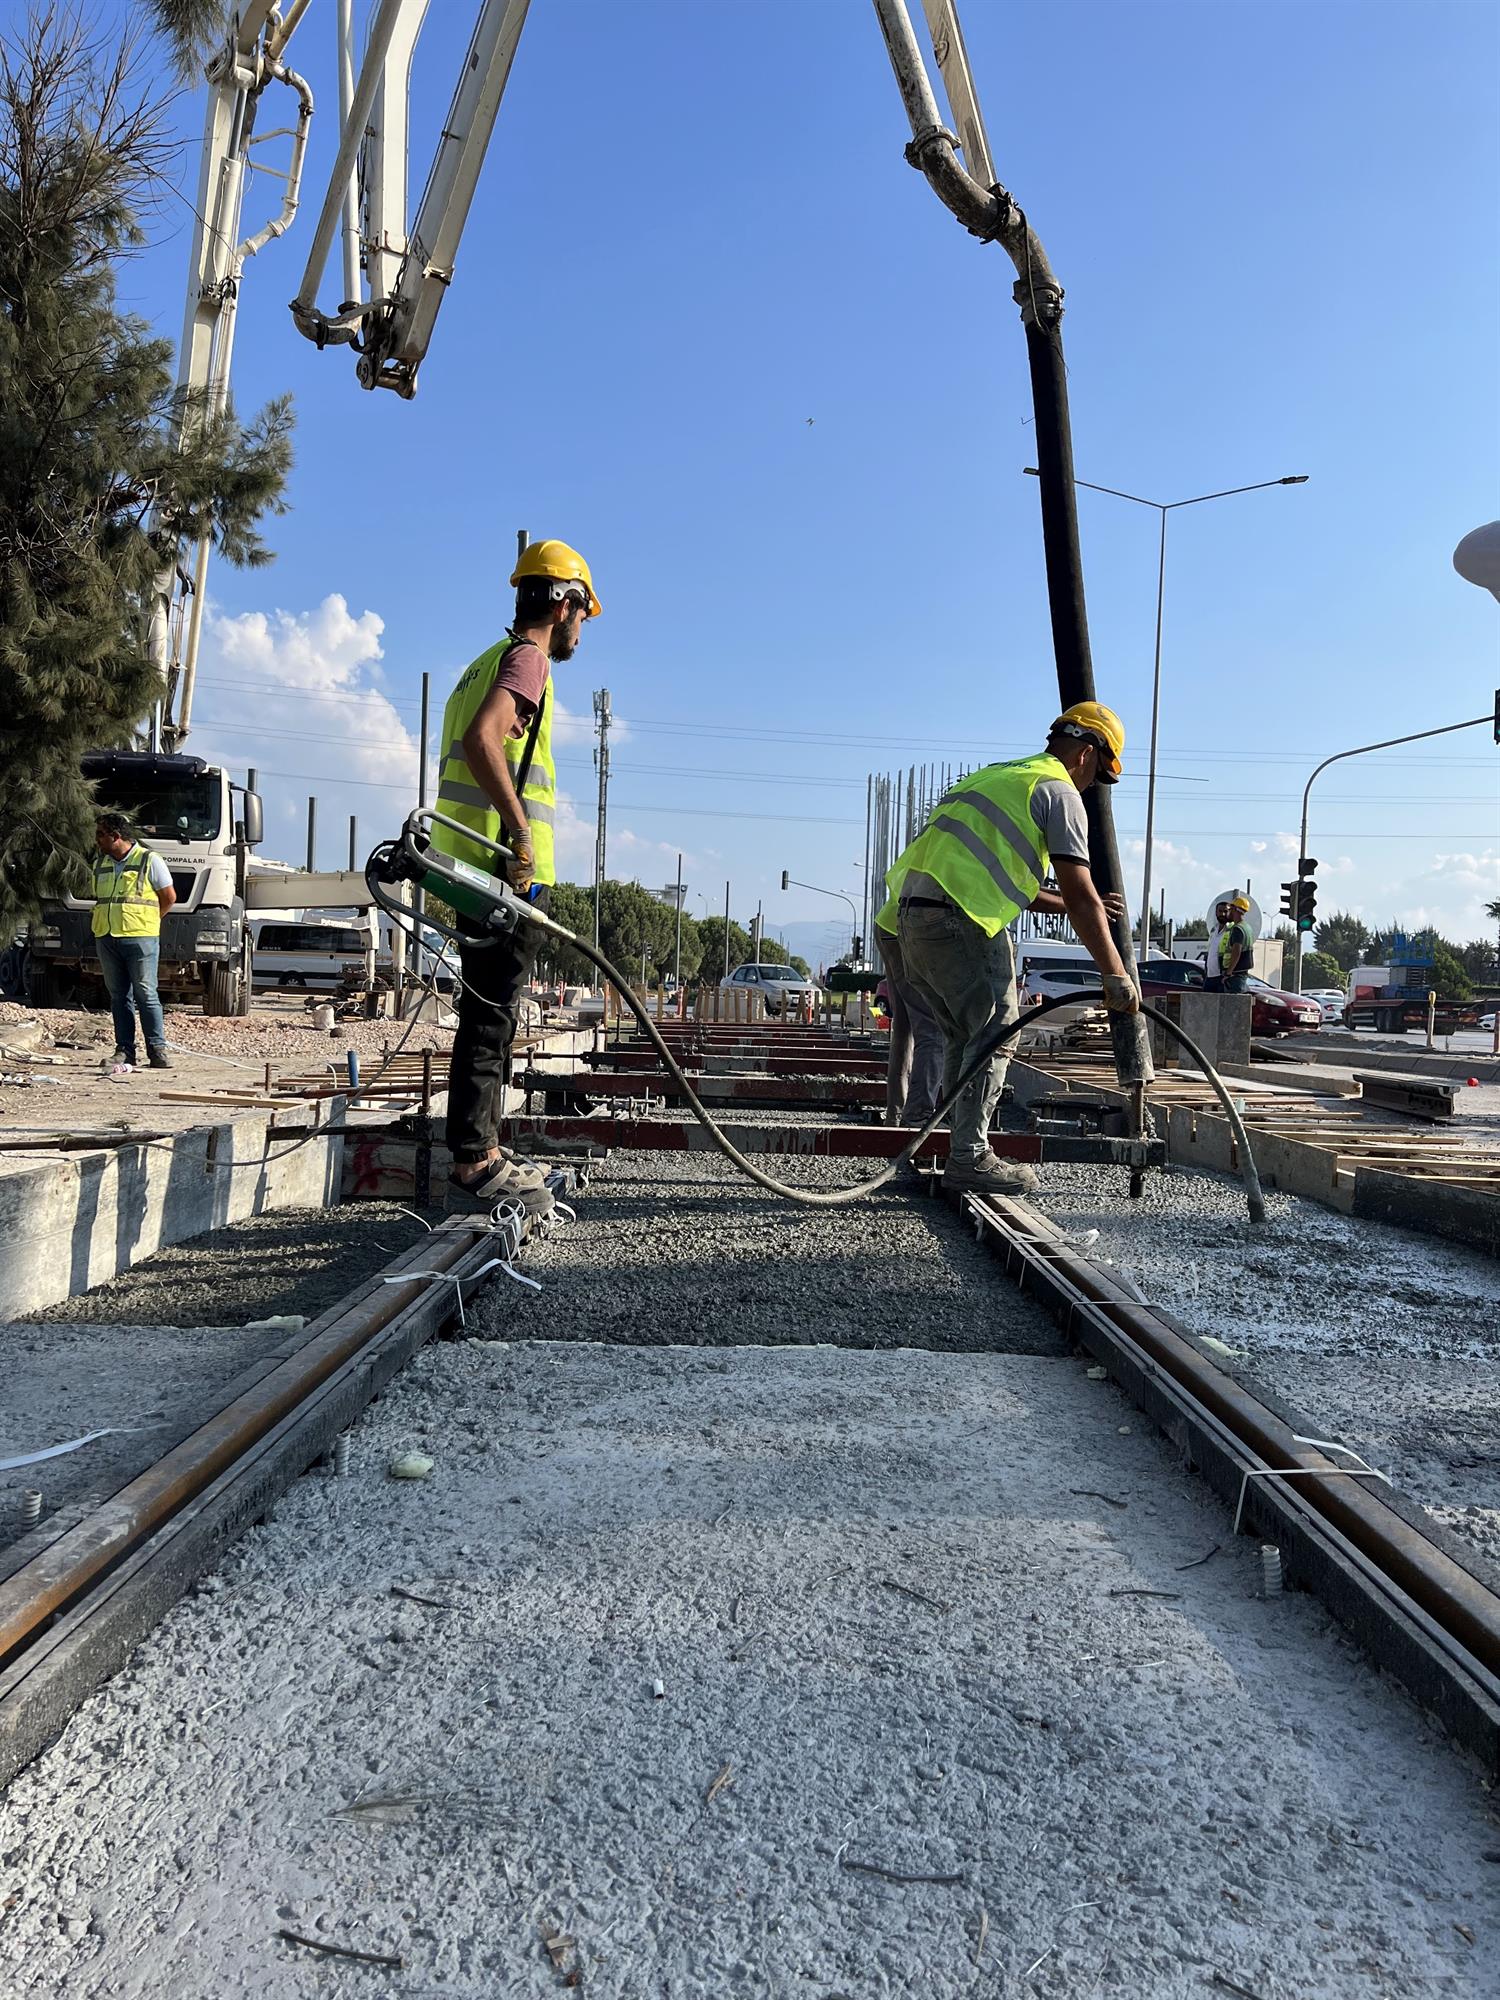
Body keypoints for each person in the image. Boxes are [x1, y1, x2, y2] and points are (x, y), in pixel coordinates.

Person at [892, 702, 1138, 1196]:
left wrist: (1069, 909)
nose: (1093, 789)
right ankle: (970, 1158)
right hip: (961, 920)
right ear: (1088, 754)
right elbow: (1080, 892)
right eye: (1099, 778)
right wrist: (1115, 975)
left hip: (911, 921)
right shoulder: (1059, 791)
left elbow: (1013, 882)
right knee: (998, 1032)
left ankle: (956, 1147)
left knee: (966, 1039)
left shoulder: (998, 777)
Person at [432, 539, 601, 1209]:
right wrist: (524, 834)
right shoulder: (528, 661)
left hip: (471, 865)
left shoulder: (483, 661)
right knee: (492, 1016)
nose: (580, 633)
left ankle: (484, 1148)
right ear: (562, 605)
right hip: (502, 869)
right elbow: (484, 739)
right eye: (582, 616)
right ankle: (475, 1164)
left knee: (485, 1011)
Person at [91, 812, 176, 1072]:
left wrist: (148, 922)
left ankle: (157, 1049)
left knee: (146, 993)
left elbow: (169, 897)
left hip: (140, 938)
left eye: (100, 835)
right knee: (119, 997)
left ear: (115, 837)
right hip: (106, 936)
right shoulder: (100, 863)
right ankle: (124, 1051)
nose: (97, 840)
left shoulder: (150, 860)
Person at [873, 902, 943, 1128]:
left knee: (904, 1028)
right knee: (932, 1030)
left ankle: (896, 1114)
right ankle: (917, 1118)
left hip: (889, 924)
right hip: (912, 925)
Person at [1206, 894, 1254, 993]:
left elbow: (1237, 951)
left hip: (1234, 975)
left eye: (1230, 909)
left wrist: (1228, 973)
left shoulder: (1236, 928)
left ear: (1236, 909)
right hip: (1236, 973)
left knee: (1228, 1006)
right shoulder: (1246, 927)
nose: (1228, 912)